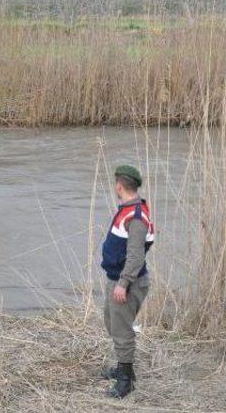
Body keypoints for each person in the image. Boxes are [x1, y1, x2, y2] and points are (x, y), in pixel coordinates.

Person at [100, 165, 155, 398]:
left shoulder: (136, 216)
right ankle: (123, 368)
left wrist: (123, 283)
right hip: (118, 279)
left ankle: (126, 380)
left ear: (119, 185)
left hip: (128, 283)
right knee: (112, 323)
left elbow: (136, 256)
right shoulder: (129, 209)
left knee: (122, 331)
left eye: (115, 184)